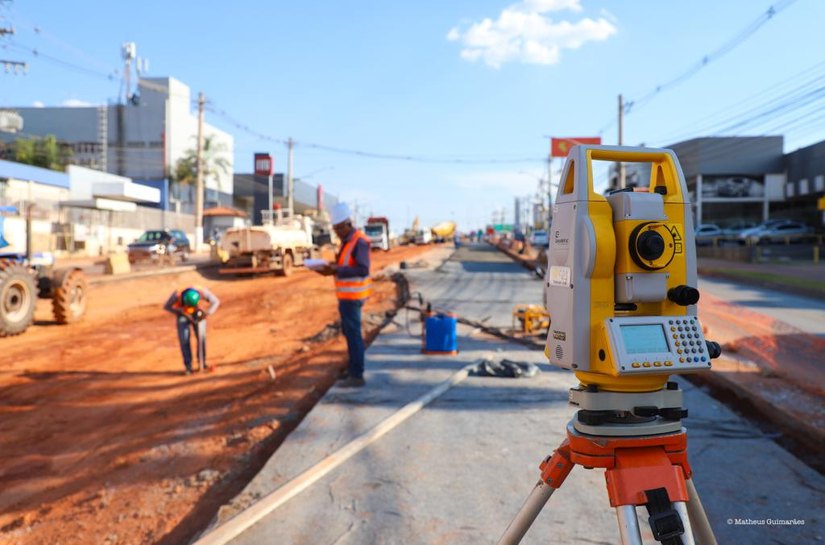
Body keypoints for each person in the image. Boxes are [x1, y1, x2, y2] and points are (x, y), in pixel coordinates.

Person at [311, 202, 372, 388]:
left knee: (354, 336)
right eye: (335, 229)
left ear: (347, 224)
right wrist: (329, 269)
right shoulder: (347, 242)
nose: (336, 232)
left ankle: (357, 375)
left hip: (354, 297)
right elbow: (345, 265)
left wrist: (337, 269)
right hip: (346, 297)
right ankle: (353, 367)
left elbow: (362, 269)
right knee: (349, 333)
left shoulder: (359, 241)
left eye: (338, 229)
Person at [163, 285, 220, 375]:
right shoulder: (177, 295)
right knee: (184, 339)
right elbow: (167, 306)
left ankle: (202, 363)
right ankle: (188, 367)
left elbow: (216, 301)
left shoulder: (203, 292)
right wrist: (179, 311)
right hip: (182, 314)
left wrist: (206, 313)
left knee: (201, 338)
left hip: (198, 313)